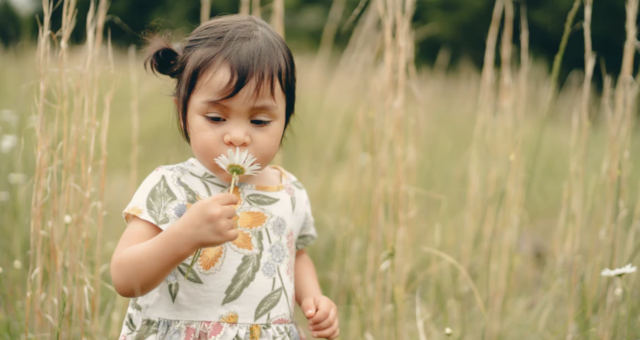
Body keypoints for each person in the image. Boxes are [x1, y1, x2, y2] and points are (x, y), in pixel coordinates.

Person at [110, 15, 339, 340]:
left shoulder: (288, 190)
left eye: (259, 121)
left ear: (285, 119)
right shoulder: (170, 186)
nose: (237, 136)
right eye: (216, 117)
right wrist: (183, 236)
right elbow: (124, 277)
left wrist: (314, 299)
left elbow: (296, 255)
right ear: (182, 112)